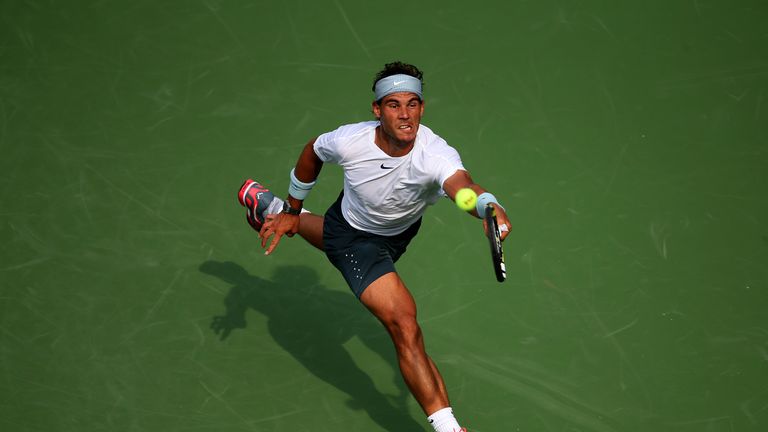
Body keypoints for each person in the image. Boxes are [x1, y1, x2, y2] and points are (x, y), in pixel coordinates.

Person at [237, 61, 510, 432]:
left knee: (331, 239)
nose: (405, 115)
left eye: (412, 104)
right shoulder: (349, 141)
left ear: (422, 108)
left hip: (391, 235)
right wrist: (294, 205)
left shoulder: (436, 155)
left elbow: (461, 188)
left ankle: (270, 210)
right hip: (354, 238)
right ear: (377, 110)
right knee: (404, 324)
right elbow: (312, 153)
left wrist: (486, 207)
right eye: (394, 105)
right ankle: (449, 428)